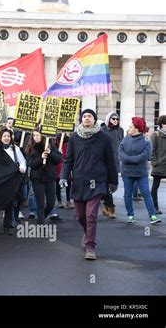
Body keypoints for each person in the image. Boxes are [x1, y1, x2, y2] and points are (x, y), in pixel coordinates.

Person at [60, 109, 118, 261]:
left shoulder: (104, 138)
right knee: (79, 215)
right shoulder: (74, 137)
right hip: (79, 181)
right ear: (81, 119)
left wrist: (113, 181)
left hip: (97, 182)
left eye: (89, 116)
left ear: (94, 119)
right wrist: (64, 176)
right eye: (84, 116)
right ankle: (87, 233)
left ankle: (90, 247)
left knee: (91, 215)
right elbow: (68, 160)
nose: (86, 118)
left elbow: (110, 161)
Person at [119, 117, 161, 224]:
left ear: (137, 128)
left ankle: (152, 216)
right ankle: (130, 215)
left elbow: (146, 155)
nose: (129, 128)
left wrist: (131, 160)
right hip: (127, 172)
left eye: (131, 126)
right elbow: (121, 154)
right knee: (127, 194)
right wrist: (131, 160)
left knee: (146, 193)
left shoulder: (146, 140)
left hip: (141, 172)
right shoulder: (125, 139)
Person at [0, 128, 26, 233]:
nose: (6, 138)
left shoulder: (15, 148)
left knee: (9, 203)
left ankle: (7, 225)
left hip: (11, 181)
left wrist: (22, 168)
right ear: (0, 137)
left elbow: (22, 161)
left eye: (8, 136)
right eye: (4, 136)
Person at [26, 128, 62, 225]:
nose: (37, 137)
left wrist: (51, 153)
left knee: (51, 203)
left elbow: (58, 159)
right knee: (40, 203)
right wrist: (40, 158)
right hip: (37, 178)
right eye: (35, 135)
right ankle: (42, 223)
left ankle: (41, 218)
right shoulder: (30, 148)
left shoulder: (49, 146)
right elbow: (31, 164)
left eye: (39, 135)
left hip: (50, 177)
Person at [101, 112, 124, 218]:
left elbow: (121, 144)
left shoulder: (120, 130)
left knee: (113, 185)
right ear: (108, 119)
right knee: (107, 185)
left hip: (116, 161)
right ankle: (110, 207)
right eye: (113, 118)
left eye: (117, 119)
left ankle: (105, 204)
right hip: (105, 161)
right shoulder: (103, 130)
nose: (115, 120)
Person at [150, 115, 166, 215]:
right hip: (159, 165)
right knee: (155, 186)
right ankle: (154, 206)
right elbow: (152, 151)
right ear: (161, 124)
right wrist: (155, 163)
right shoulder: (156, 135)